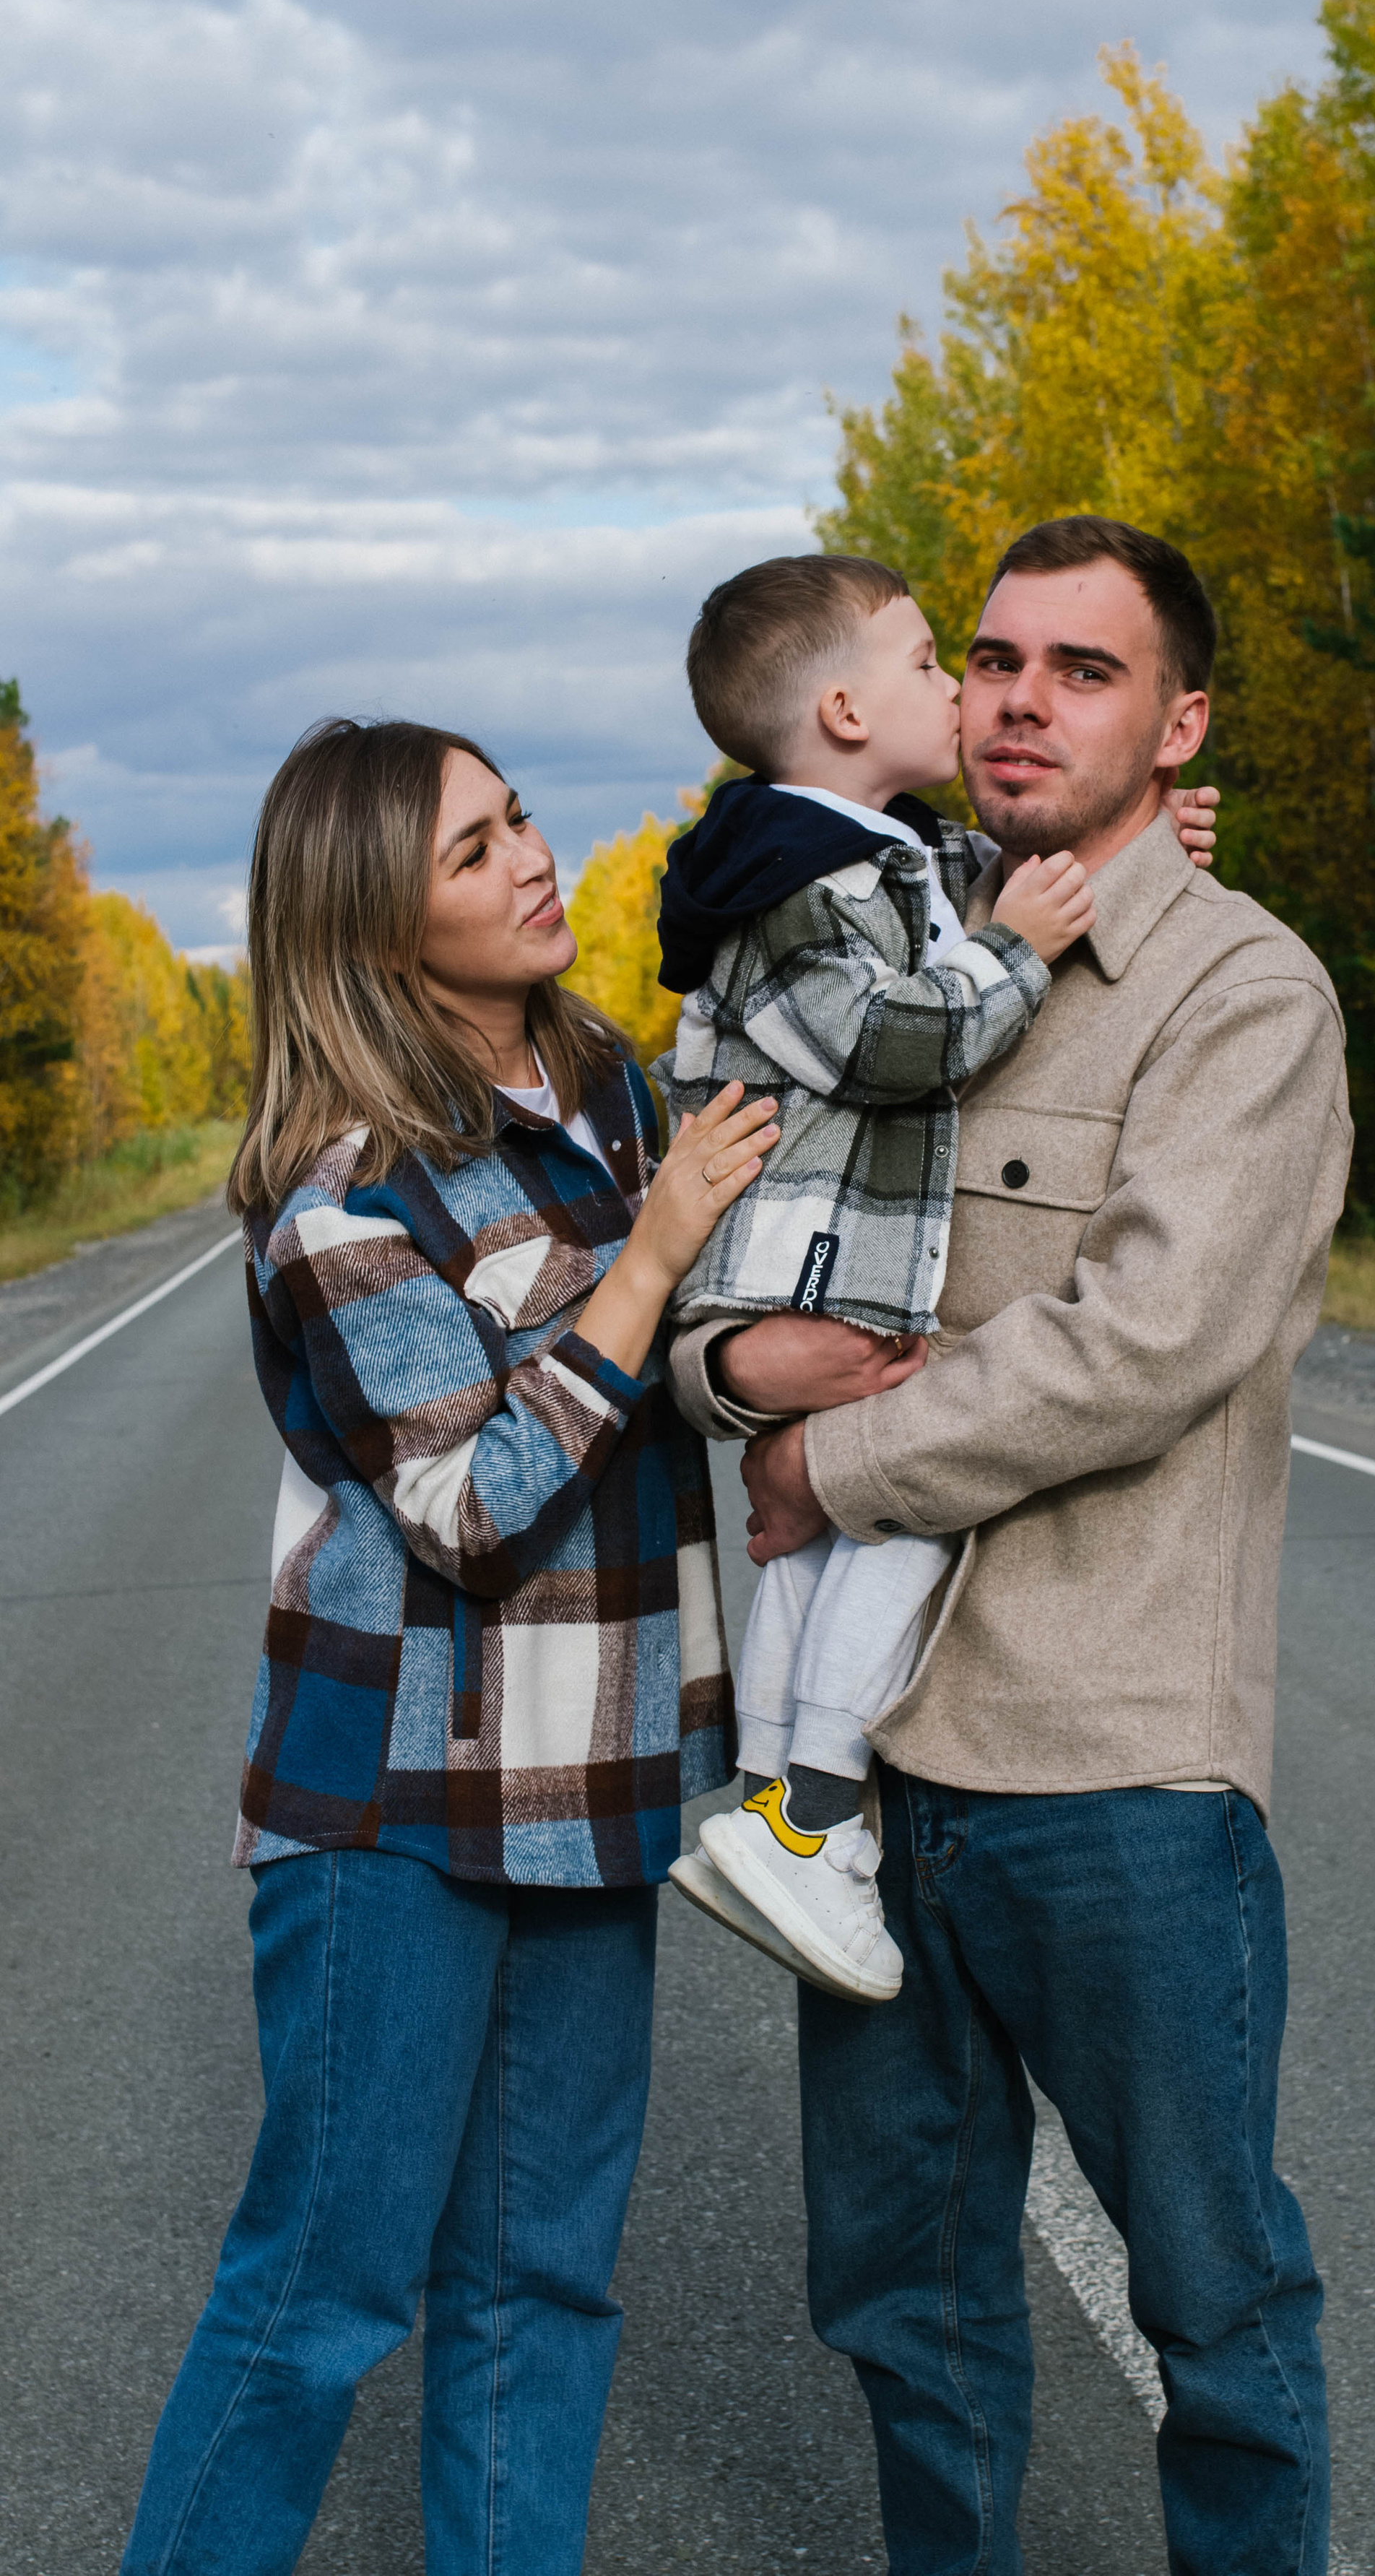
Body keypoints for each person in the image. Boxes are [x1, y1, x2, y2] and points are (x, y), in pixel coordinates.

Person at [670, 518, 1353, 2576]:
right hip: (865, 1795)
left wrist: (825, 1471)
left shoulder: (1243, 994)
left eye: (1084, 669)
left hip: (1109, 1770)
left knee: (1214, 2309)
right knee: (905, 2307)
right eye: (994, 661)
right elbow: (712, 1229)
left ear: (1180, 721)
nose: (1022, 701)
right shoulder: (880, 936)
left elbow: (1143, 1343)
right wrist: (722, 1381)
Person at [121, 717, 776, 2576]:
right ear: (372, 926)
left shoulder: (619, 1089)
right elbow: (470, 1515)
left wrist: (1084, 890)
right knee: (327, 2293)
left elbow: (839, 998)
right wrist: (642, 1270)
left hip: (595, 1777)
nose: (532, 858)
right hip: (392, 1810)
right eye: (474, 851)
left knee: (543, 2286)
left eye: (521, 818)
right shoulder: (342, 1198)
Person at [649, 554, 1215, 2003]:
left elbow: (971, 883)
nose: (963, 696)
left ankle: (775, 1810)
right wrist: (1022, 948)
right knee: (893, 1517)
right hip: (820, 1253)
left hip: (823, 1252)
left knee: (808, 1530)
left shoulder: (867, 847)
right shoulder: (783, 887)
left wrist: (1138, 854)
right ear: (842, 709)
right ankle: (816, 1819)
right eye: (931, 666)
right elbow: (901, 1036)